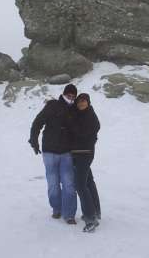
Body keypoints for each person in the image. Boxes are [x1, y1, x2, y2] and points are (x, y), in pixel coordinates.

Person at [29, 84, 78, 224]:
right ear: (64, 94)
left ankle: (69, 214)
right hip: (49, 152)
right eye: (69, 95)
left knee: (69, 184)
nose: (71, 98)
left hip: (66, 153)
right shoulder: (52, 105)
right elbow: (37, 122)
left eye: (73, 96)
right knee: (53, 184)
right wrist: (34, 140)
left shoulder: (74, 109)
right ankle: (57, 208)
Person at [70, 93, 101, 233]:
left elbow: (83, 133)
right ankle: (96, 211)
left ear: (88, 103)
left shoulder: (90, 116)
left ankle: (90, 218)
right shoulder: (79, 115)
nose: (81, 104)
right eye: (79, 102)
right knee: (88, 182)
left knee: (80, 185)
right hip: (78, 153)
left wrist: (73, 128)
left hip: (85, 154)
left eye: (84, 101)